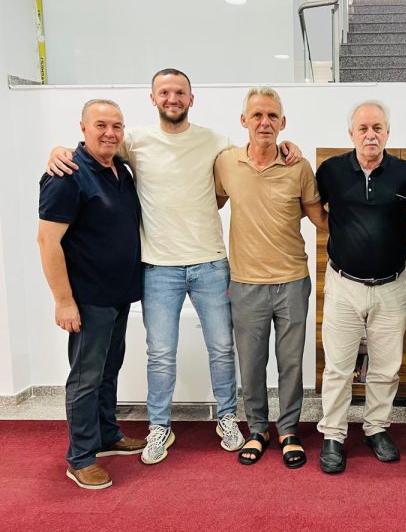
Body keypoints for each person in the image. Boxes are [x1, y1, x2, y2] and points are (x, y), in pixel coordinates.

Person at [46, 68, 302, 465]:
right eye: (164, 92)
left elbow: (253, 152)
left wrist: (288, 146)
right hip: (158, 268)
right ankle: (159, 427)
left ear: (191, 99)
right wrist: (59, 150)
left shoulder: (215, 141)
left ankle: (227, 418)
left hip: (210, 263)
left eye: (180, 92)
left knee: (222, 348)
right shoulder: (134, 141)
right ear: (153, 98)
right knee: (161, 353)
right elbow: (96, 146)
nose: (172, 98)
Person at [214, 87, 327, 468]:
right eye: (257, 115)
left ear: (283, 123)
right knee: (251, 363)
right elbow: (208, 203)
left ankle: (289, 429)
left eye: (272, 116)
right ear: (244, 120)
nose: (265, 122)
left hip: (292, 280)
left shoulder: (299, 167)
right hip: (245, 283)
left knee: (291, 362)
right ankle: (258, 428)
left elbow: (320, 218)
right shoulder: (226, 163)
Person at [315, 100, 406, 474]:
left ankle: (376, 428)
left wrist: (399, 230)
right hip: (344, 284)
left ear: (387, 133)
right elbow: (314, 208)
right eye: (363, 128)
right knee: (337, 368)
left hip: (391, 286)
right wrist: (342, 230)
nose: (370, 135)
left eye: (377, 128)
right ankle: (333, 434)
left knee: (386, 368)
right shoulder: (331, 171)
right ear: (351, 133)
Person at [38, 100, 145, 489]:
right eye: (101, 125)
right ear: (83, 127)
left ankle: (106, 434)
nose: (110, 133)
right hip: (87, 299)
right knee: (85, 378)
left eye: (117, 126)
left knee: (109, 368)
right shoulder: (66, 175)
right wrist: (64, 301)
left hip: (119, 294)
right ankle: (81, 457)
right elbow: (47, 241)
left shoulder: (121, 170)